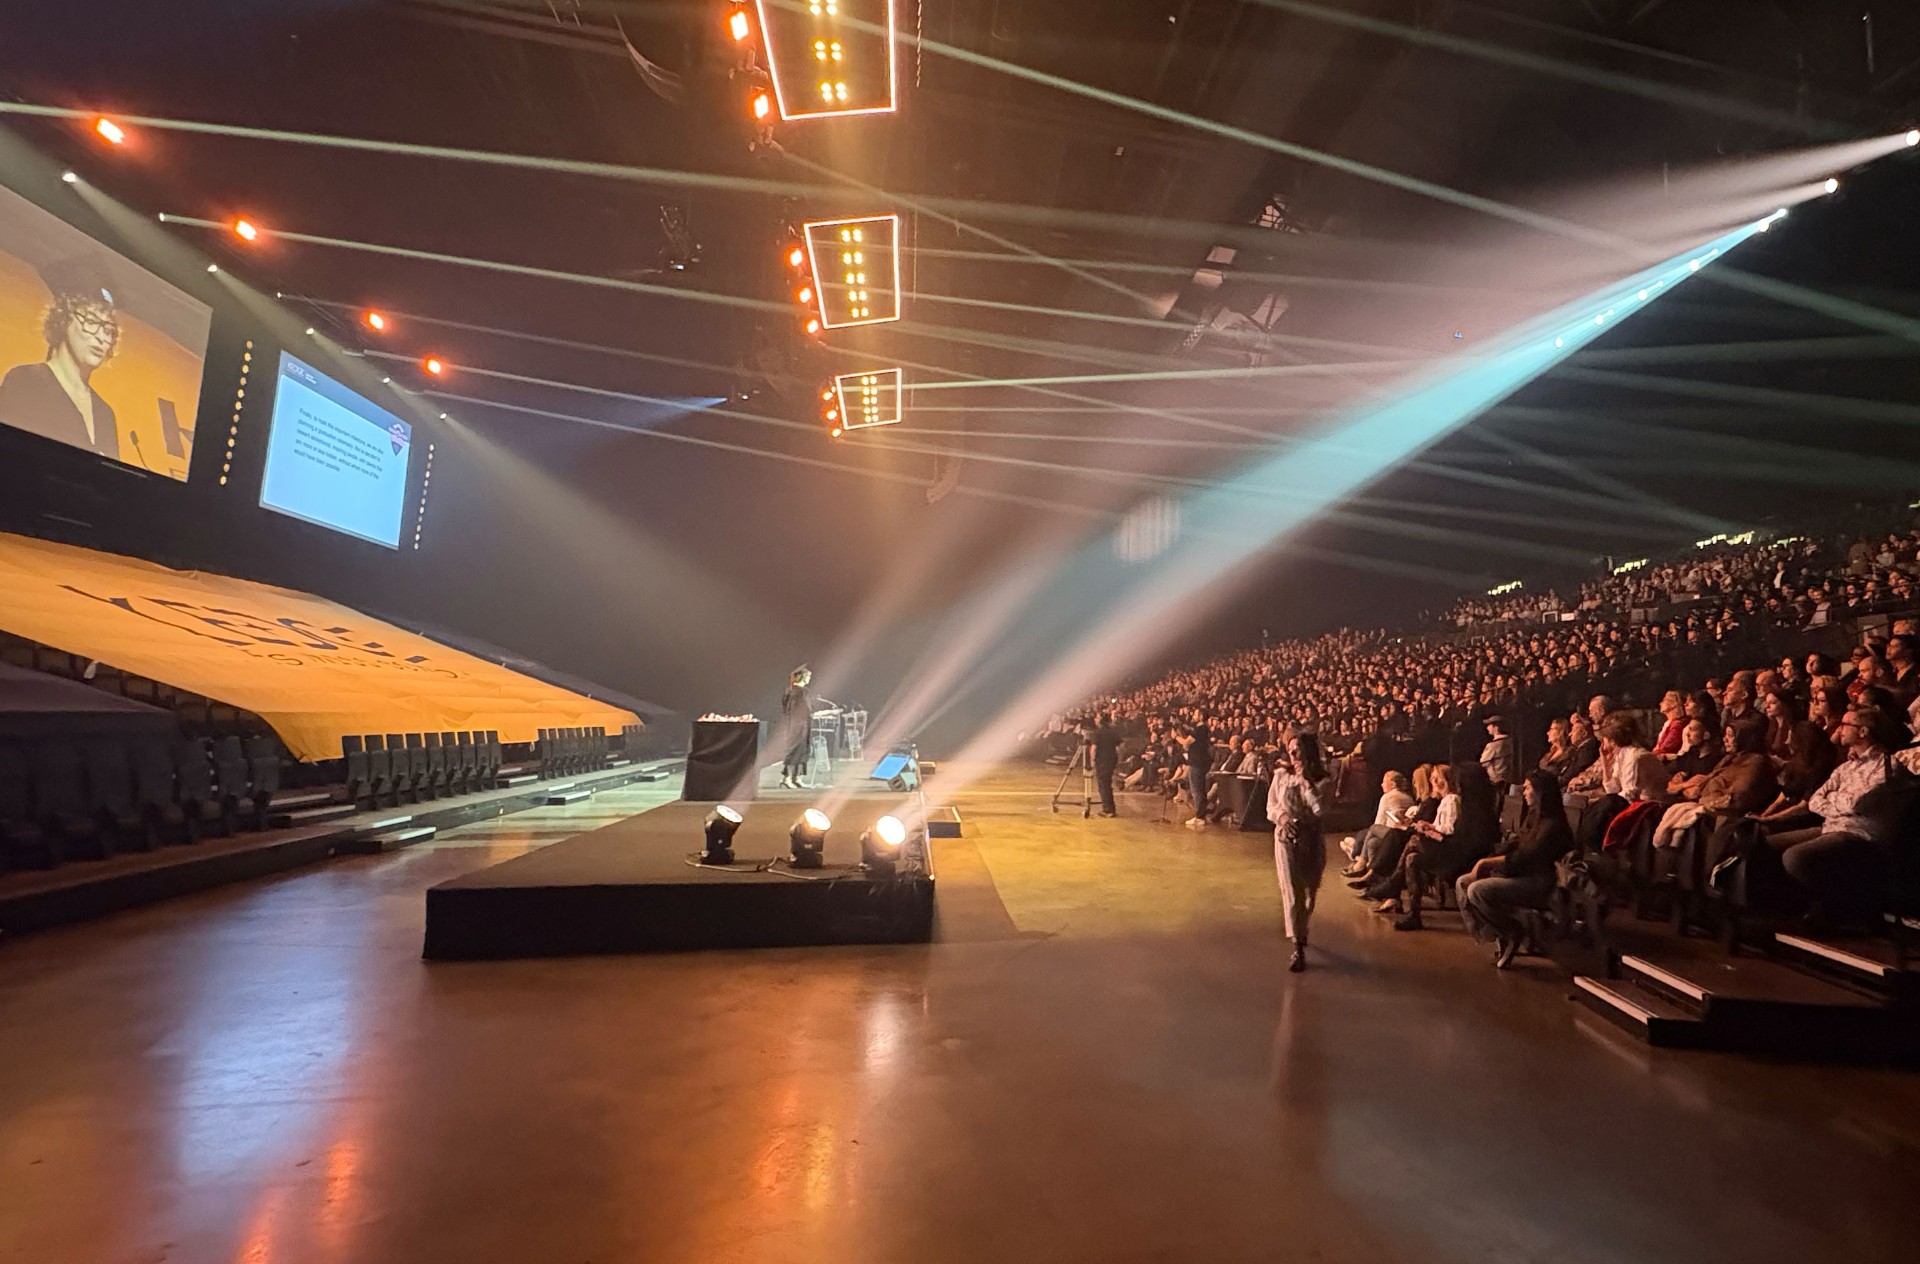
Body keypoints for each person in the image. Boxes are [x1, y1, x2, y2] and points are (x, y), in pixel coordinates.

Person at [0, 263, 123, 461]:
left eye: (108, 330)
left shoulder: (104, 413)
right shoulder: (26, 381)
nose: (102, 337)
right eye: (91, 322)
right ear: (64, 320)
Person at [1457, 771, 1574, 968]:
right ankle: (1498, 932)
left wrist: (1491, 863)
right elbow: (1519, 844)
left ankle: (1512, 931)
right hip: (1522, 873)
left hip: (1539, 881)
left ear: (1541, 792)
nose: (1524, 792)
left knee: (1477, 890)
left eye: (1528, 788)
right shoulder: (1535, 817)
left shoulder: (1553, 825)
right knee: (1462, 883)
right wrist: (1490, 856)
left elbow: (1529, 856)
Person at [1268, 731, 1334, 972]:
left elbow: (1320, 810)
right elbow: (1271, 805)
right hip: (1286, 838)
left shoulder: (1323, 779)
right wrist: (1282, 817)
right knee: (1293, 893)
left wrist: (1306, 782)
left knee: (1309, 893)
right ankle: (1298, 947)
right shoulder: (1281, 775)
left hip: (1312, 838)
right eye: (1290, 749)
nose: (1292, 754)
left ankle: (1302, 928)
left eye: (1297, 749)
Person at [778, 665, 815, 790]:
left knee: (796, 751)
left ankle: (795, 778)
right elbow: (807, 710)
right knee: (796, 752)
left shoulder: (789, 691)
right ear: (804, 677)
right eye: (808, 676)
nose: (809, 679)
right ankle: (787, 778)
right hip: (801, 726)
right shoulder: (803, 692)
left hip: (791, 725)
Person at [1178, 717, 1214, 829]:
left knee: (1197, 790)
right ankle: (1201, 815)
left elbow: (1186, 742)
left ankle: (1199, 816)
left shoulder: (1200, 729)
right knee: (1199, 790)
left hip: (1197, 763)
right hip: (1199, 762)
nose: (1193, 716)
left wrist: (1176, 737)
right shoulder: (1201, 730)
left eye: (1196, 714)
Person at [1091, 712, 1122, 817]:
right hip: (1111, 759)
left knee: (1103, 785)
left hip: (1102, 761)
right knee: (1107, 784)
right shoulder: (1113, 732)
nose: (1095, 719)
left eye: (1097, 717)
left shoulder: (1097, 732)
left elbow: (1094, 748)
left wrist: (1092, 760)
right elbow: (1119, 747)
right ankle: (1111, 808)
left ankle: (1107, 809)